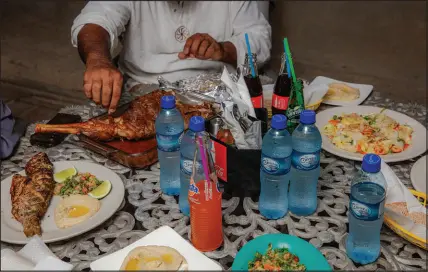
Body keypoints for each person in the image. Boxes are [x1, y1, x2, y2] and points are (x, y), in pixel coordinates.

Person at [71, 1, 272, 114]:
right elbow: (95, 21)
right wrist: (98, 60)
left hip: (217, 98)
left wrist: (223, 49)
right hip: (141, 92)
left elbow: (258, 39)